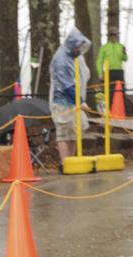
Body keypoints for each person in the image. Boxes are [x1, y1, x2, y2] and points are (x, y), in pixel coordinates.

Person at [49, 28, 92, 161]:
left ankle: (71, 160)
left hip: (73, 100)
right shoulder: (61, 60)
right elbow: (67, 85)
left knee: (75, 131)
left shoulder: (72, 56)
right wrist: (80, 101)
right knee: (63, 132)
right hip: (62, 101)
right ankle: (65, 162)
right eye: (78, 47)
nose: (80, 50)